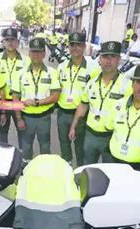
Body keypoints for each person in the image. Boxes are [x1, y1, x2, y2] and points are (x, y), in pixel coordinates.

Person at [69, 41, 132, 164]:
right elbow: (83, 105)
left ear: (119, 59)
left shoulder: (128, 85)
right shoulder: (92, 83)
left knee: (109, 171)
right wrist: (73, 126)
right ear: (100, 59)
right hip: (90, 135)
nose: (109, 61)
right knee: (88, 168)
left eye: (113, 57)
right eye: (105, 57)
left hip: (112, 137)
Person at [11, 38, 61, 160]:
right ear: (29, 53)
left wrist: (37, 102)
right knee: (26, 146)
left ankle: (43, 169)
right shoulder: (20, 73)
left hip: (44, 117)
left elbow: (55, 96)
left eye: (39, 52)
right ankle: (26, 168)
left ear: (44, 53)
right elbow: (15, 98)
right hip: (26, 117)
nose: (36, 55)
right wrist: (18, 119)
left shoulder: (52, 72)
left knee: (45, 146)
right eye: (33, 52)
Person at [57, 32, 100, 166]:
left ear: (84, 46)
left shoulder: (93, 68)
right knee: (64, 145)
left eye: (79, 45)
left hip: (82, 115)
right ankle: (67, 170)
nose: (75, 48)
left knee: (80, 147)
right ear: (68, 47)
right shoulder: (62, 67)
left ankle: (80, 171)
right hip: (63, 113)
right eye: (72, 45)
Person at [0, 27, 27, 145]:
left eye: (13, 39)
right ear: (3, 42)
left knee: (22, 132)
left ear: (17, 41)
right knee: (2, 134)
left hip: (20, 101)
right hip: (2, 101)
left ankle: (22, 159)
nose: (10, 42)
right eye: (7, 40)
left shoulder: (26, 61)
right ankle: (4, 159)